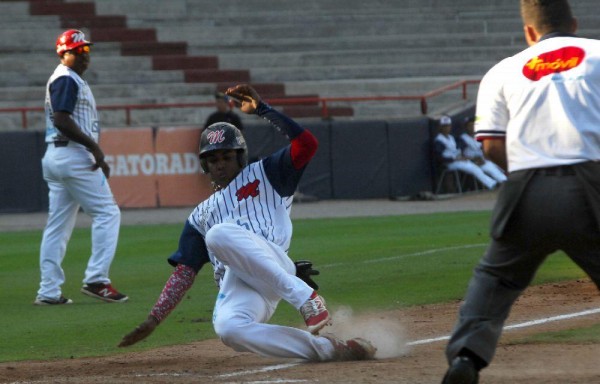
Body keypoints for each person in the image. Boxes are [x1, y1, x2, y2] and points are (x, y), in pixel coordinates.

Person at [118, 84, 376, 362]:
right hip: (241, 284)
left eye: (226, 156)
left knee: (218, 235)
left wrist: (263, 110)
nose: (220, 164)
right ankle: (329, 348)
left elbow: (307, 144)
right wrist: (154, 319)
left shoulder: (267, 173)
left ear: (240, 156)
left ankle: (307, 300)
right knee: (229, 329)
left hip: (275, 265)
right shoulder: (200, 215)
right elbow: (184, 273)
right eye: (213, 159)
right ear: (205, 165)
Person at [442, 1, 600, 383]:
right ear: (574, 24)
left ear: (529, 31)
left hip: (525, 185)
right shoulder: (597, 54)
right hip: (591, 183)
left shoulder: (503, 70)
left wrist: (531, 177)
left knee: (495, 278)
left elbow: (491, 146)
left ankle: (466, 358)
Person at [35, 29, 127, 305]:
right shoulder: (65, 78)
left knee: (57, 226)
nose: (85, 55)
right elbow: (62, 119)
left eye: (86, 49)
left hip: (57, 156)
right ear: (64, 53)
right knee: (108, 213)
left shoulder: (67, 78)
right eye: (78, 50)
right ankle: (97, 279)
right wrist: (94, 148)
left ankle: (48, 291)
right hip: (74, 157)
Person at [433, 115, 498, 191]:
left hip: (457, 160)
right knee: (473, 168)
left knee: (475, 166)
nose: (447, 128)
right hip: (449, 163)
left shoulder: (451, 137)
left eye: (448, 126)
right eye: (444, 126)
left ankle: (493, 183)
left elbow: (457, 150)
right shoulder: (439, 140)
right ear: (440, 127)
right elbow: (439, 157)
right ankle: (492, 184)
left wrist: (462, 156)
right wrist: (455, 158)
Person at [459, 116, 507, 185]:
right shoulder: (462, 138)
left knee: (497, 163)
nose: (472, 127)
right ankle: (503, 182)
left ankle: (507, 180)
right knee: (490, 167)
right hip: (472, 161)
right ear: (465, 127)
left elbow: (484, 149)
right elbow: (461, 155)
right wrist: (472, 159)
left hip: (482, 159)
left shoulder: (478, 136)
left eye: (473, 125)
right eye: (469, 125)